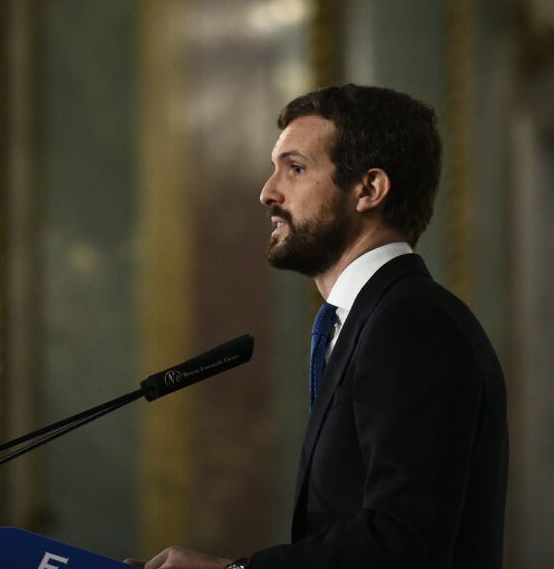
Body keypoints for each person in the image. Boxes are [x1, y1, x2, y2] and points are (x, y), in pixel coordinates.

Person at [126, 84, 508, 569]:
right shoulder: (370, 320)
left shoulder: (411, 324)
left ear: (369, 189)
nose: (268, 192)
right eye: (275, 168)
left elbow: (402, 542)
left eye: (296, 168)